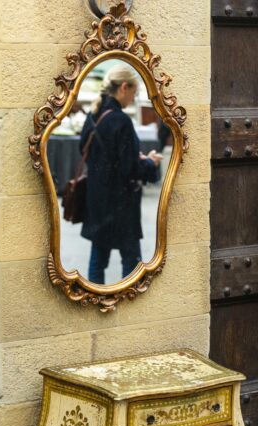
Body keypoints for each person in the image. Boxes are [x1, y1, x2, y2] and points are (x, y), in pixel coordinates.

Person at [80, 64, 163, 284]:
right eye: (134, 93)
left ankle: (96, 298)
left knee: (98, 259)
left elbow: (87, 153)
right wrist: (150, 162)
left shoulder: (93, 115)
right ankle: (130, 303)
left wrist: (133, 159)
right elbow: (130, 169)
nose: (134, 99)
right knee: (131, 260)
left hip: (98, 200)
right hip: (121, 204)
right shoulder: (121, 121)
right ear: (124, 87)